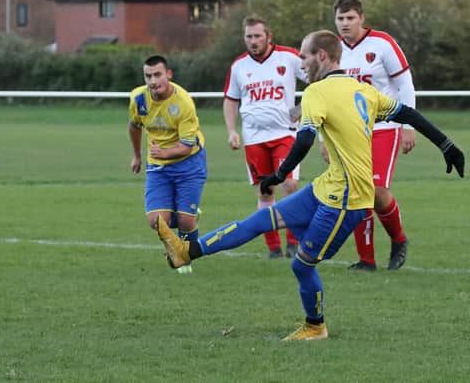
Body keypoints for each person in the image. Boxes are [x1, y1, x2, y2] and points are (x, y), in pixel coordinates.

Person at [155, 30, 464, 340]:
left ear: (323, 57)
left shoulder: (318, 92)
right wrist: (446, 144)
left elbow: (304, 137)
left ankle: (315, 326)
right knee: (263, 219)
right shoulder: (363, 91)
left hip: (347, 199)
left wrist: (280, 174)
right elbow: (407, 112)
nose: (301, 63)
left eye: (304, 55)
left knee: (303, 266)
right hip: (326, 186)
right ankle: (186, 251)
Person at [333, 0, 417, 271]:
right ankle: (366, 260)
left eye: (350, 18)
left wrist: (409, 126)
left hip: (385, 126)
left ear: (361, 18)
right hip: (350, 132)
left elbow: (405, 83)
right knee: (358, 192)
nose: (345, 23)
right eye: (340, 18)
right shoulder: (333, 50)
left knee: (378, 190)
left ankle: (399, 239)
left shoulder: (382, 44)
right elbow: (327, 95)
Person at [223, 15, 307, 259]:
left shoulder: (288, 57)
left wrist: (303, 108)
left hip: (285, 134)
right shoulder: (239, 66)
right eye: (249, 36)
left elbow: (318, 79)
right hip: (254, 137)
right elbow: (230, 100)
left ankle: (293, 242)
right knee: (265, 190)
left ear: (268, 36)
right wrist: (231, 131)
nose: (253, 41)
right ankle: (274, 248)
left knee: (290, 185)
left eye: (258, 35)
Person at [129, 55, 206, 273]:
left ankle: (184, 258)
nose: (153, 81)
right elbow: (134, 126)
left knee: (186, 222)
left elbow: (187, 146)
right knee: (156, 221)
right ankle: (185, 216)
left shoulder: (183, 103)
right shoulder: (138, 99)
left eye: (157, 75)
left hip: (189, 163)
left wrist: (163, 153)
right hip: (158, 165)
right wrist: (137, 155)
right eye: (148, 76)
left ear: (168, 74)